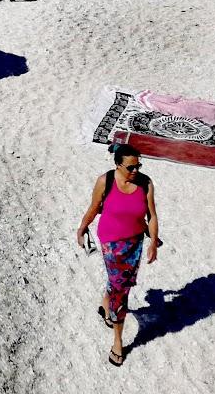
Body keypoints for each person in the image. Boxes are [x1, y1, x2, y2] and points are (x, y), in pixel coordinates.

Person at [75, 144, 160, 368]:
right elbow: (94, 207)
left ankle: (106, 301)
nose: (136, 171)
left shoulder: (146, 183)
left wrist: (153, 242)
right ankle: (118, 342)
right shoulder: (106, 181)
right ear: (117, 165)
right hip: (111, 243)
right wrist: (82, 227)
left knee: (121, 283)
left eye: (139, 165)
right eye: (131, 167)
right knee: (121, 294)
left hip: (135, 243)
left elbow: (151, 215)